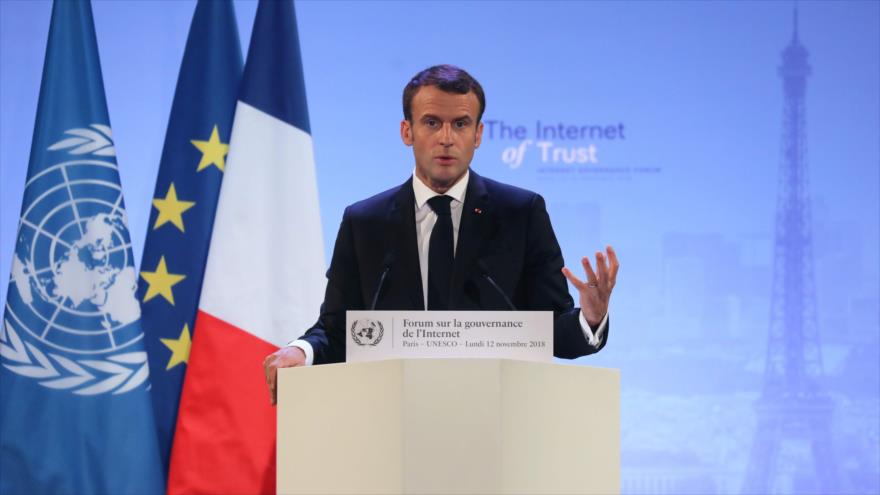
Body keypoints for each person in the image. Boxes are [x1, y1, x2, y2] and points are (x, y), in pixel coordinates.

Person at [263, 65, 618, 404]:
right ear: (407, 131)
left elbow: (551, 331)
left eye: (461, 124)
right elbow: (340, 329)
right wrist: (302, 350)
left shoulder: (520, 214)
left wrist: (590, 319)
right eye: (432, 122)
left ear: (478, 134)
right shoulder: (365, 222)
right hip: (389, 419)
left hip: (498, 419)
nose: (446, 138)